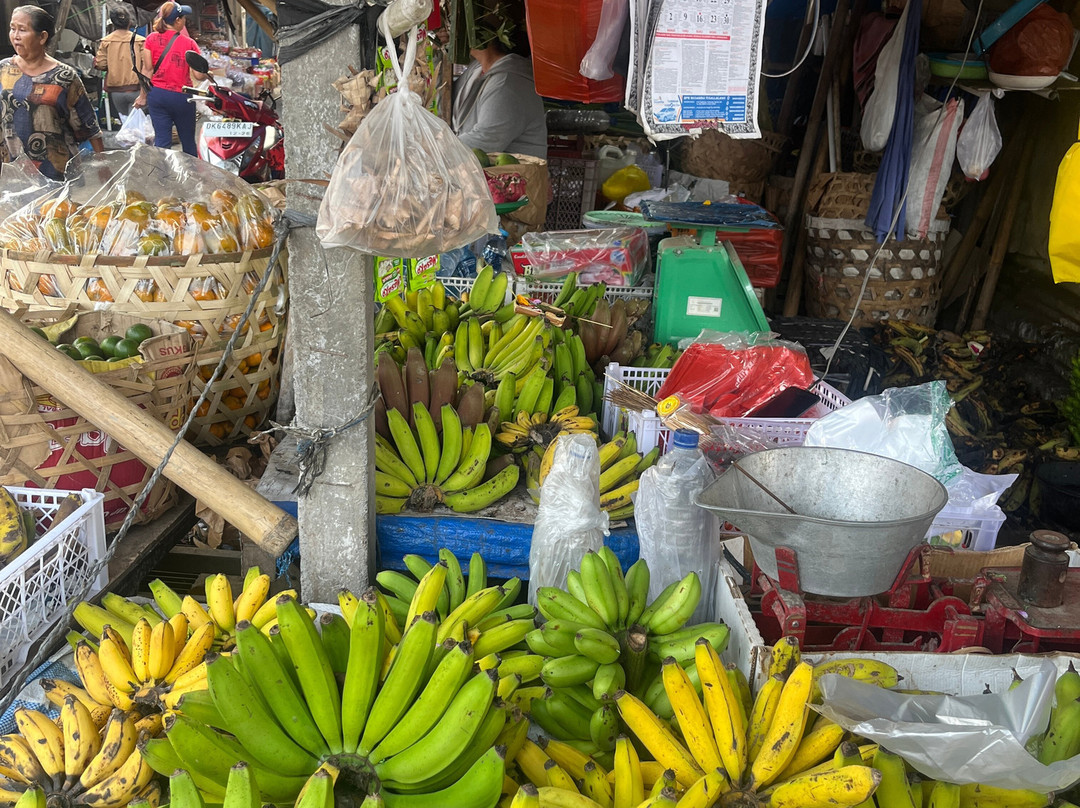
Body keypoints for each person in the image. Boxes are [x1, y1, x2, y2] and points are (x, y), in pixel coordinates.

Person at [0, 5, 104, 180]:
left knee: (52, 209)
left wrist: (104, 168)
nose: (15, 36)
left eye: (22, 30)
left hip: (55, 172)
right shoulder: (3, 69)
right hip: (11, 170)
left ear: (42, 37)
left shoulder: (64, 76)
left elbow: (89, 125)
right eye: (12, 28)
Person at [452, 37, 547, 159]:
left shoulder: (508, 83)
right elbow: (443, 101)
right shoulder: (477, 69)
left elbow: (486, 139)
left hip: (509, 175)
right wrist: (438, 51)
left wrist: (434, 151)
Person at [135, 2, 205, 155]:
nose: (185, 20)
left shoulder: (151, 39)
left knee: (162, 142)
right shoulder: (189, 43)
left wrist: (142, 97)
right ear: (178, 20)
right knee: (187, 142)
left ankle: (164, 176)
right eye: (183, 17)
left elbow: (147, 70)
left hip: (157, 95)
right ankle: (190, 175)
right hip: (182, 97)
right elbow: (199, 75)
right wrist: (207, 71)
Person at [94, 8, 144, 120]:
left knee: (125, 125)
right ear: (130, 22)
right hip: (136, 90)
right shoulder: (140, 41)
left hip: (116, 91)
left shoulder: (106, 41)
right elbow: (147, 65)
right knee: (136, 127)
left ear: (113, 22)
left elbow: (100, 64)